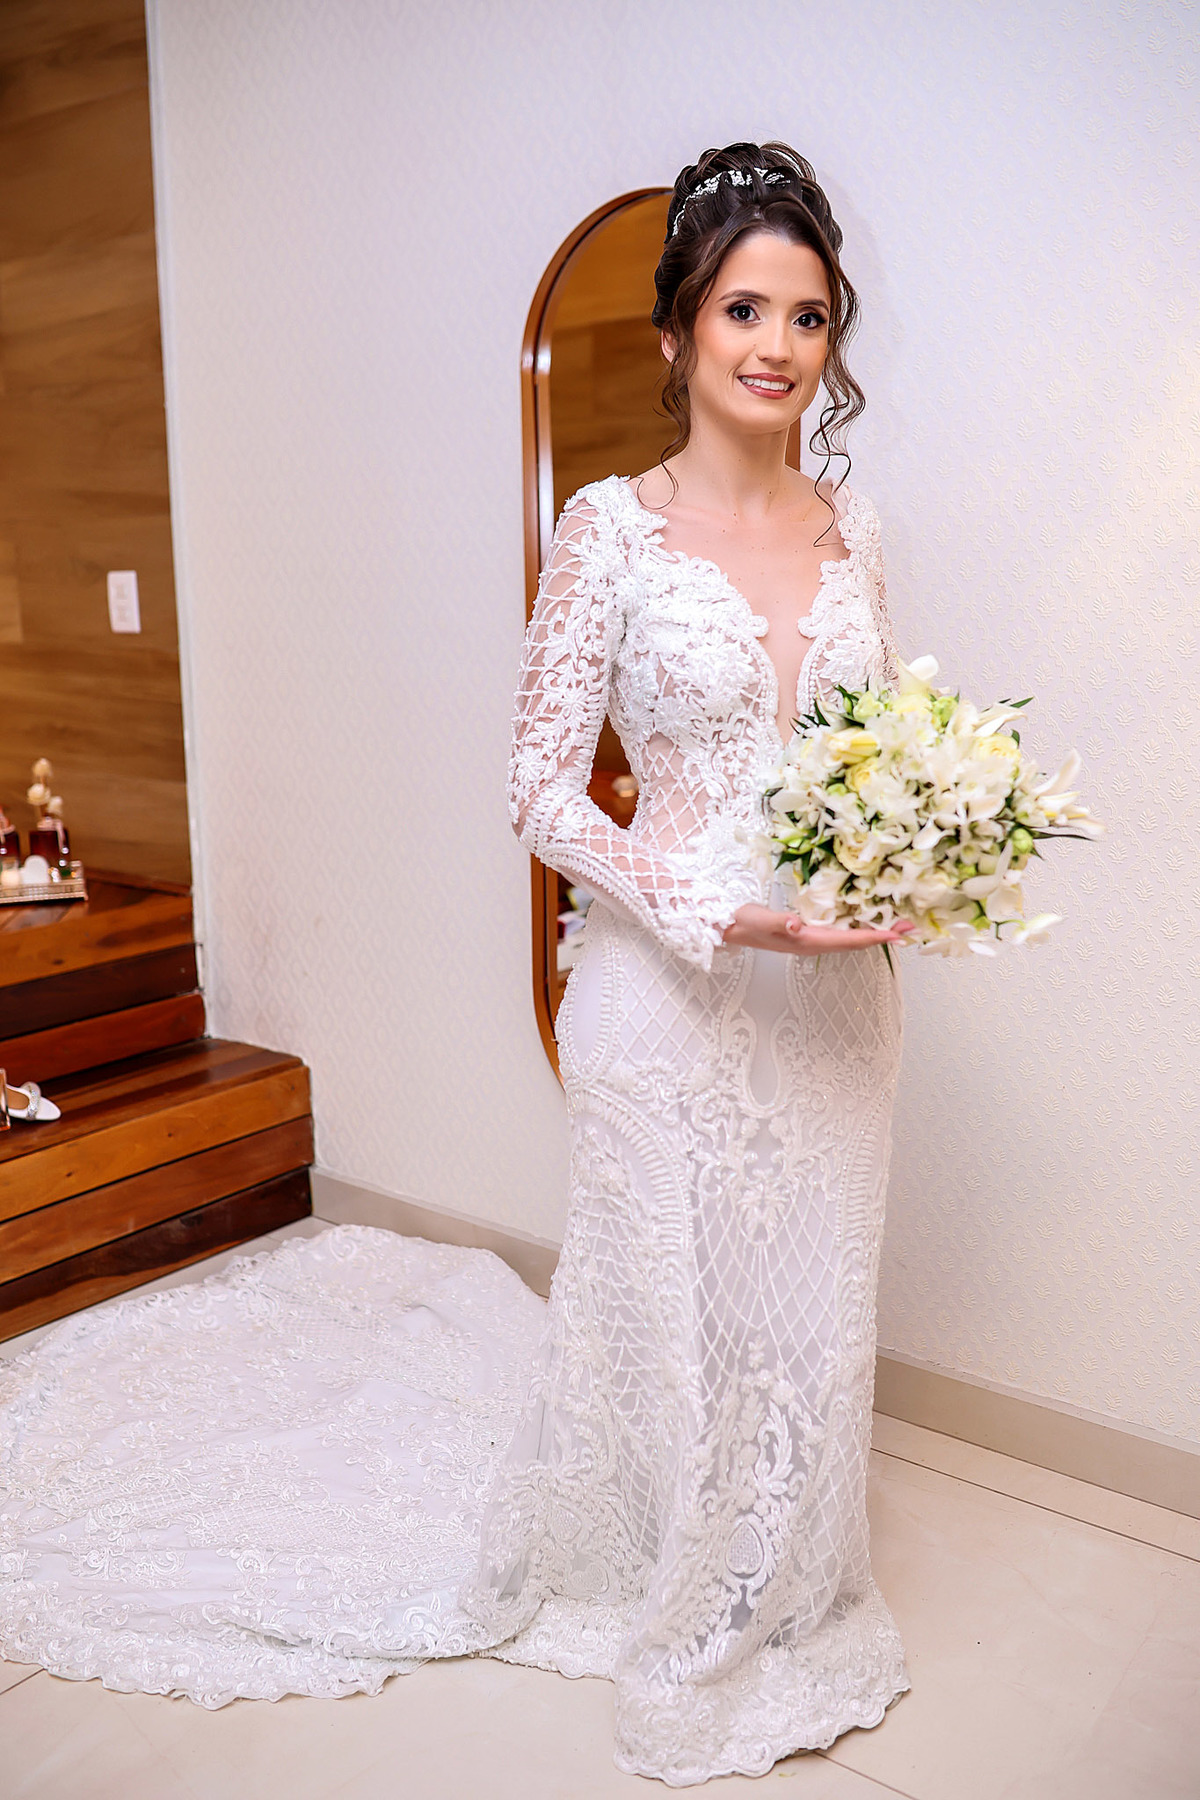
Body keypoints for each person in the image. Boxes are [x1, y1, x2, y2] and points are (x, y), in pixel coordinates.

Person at [0, 142, 910, 1787]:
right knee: (674, 1320)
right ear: (677, 335)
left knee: (808, 1312)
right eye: (741, 311)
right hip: (666, 990)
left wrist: (913, 858)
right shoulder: (607, 533)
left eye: (807, 315)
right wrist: (718, 909)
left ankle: (793, 1578)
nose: (777, 346)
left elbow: (877, 752)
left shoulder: (859, 527)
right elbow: (541, 791)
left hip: (839, 999)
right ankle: (680, 1593)